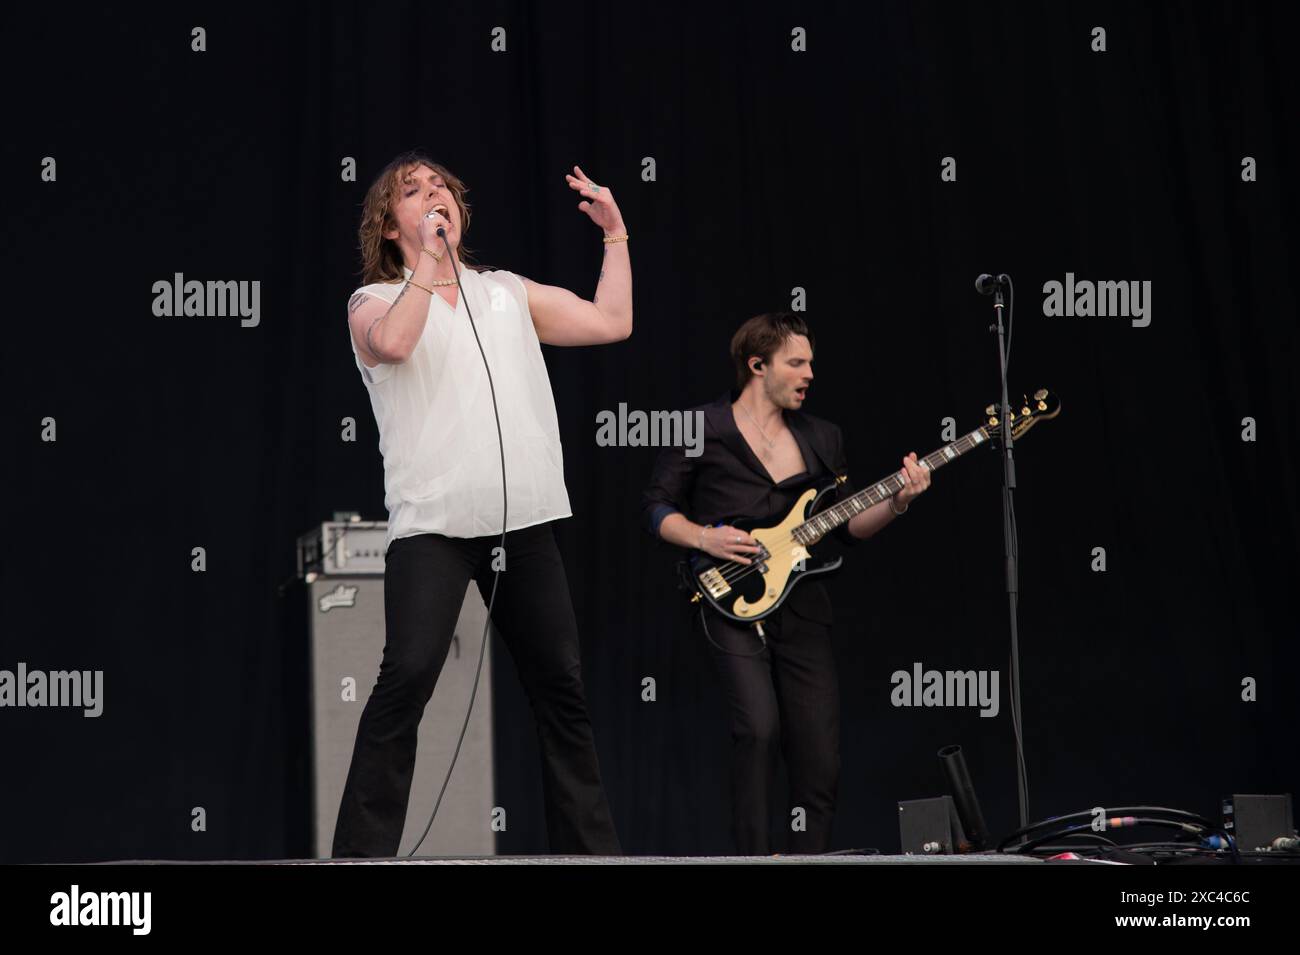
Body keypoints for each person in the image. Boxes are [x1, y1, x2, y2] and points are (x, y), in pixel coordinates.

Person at [333, 150, 631, 857]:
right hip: (433, 528)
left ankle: (593, 855)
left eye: (443, 188)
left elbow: (610, 321)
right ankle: (358, 857)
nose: (435, 196)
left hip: (521, 527)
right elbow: (399, 345)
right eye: (415, 192)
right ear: (390, 225)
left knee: (562, 689)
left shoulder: (505, 292)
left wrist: (615, 235)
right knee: (405, 680)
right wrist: (430, 264)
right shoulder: (373, 303)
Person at [641, 312, 931, 854]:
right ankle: (752, 860)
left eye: (811, 364)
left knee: (820, 753)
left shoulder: (823, 436)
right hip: (727, 598)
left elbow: (848, 527)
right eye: (796, 363)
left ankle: (812, 859)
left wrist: (898, 500)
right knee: (757, 729)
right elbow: (655, 510)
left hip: (802, 606)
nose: (809, 374)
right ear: (757, 365)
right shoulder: (702, 426)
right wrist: (705, 538)